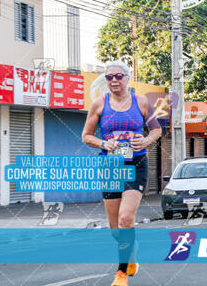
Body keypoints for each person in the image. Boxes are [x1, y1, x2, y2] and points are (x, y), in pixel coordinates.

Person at [82, 60, 161, 286]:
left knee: (127, 218)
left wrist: (145, 140)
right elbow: (86, 136)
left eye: (119, 76)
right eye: (109, 77)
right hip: (111, 167)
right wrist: (103, 144)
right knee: (115, 228)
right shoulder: (98, 105)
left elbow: (156, 129)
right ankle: (132, 251)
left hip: (136, 164)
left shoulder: (142, 102)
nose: (114, 80)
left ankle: (121, 273)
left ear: (127, 78)